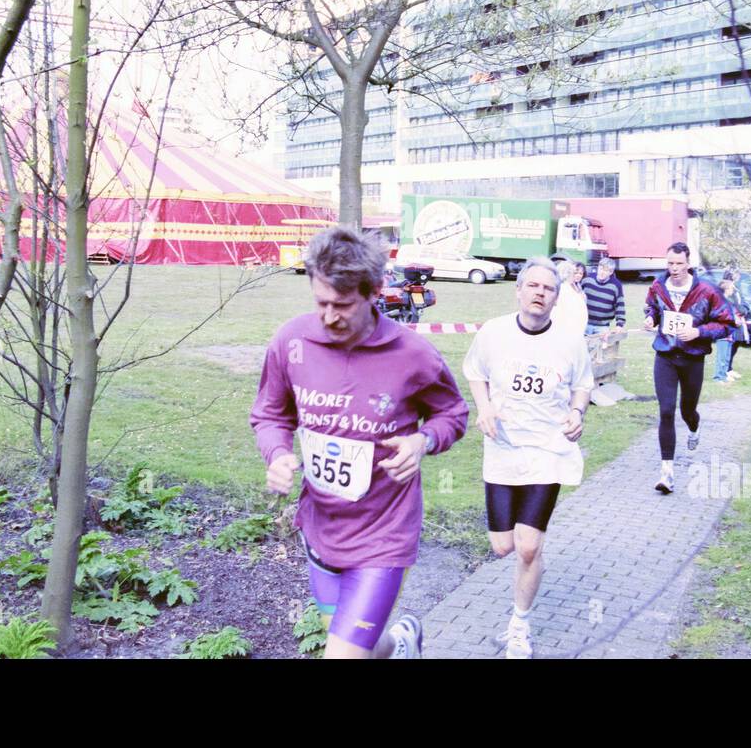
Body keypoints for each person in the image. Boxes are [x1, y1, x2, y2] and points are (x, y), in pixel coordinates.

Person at [250, 226, 469, 659]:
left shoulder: (413, 354)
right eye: (321, 303)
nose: (330, 316)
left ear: (374, 293)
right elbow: (271, 414)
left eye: (343, 305)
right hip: (320, 527)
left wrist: (423, 441)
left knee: (343, 657)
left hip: (383, 533)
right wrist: (276, 454)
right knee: (360, 645)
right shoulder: (291, 342)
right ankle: (403, 643)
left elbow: (453, 414)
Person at [463, 258, 594, 659]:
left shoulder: (571, 341)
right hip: (502, 448)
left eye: (548, 288)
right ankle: (526, 559)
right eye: (532, 286)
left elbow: (582, 386)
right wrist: (483, 407)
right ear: (518, 290)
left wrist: (577, 413)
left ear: (557, 298)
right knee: (503, 547)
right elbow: (474, 372)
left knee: (528, 547)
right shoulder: (494, 333)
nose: (539, 293)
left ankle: (519, 625)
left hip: (546, 450)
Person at [643, 242, 735, 495]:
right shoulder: (658, 285)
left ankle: (694, 427)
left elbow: (727, 324)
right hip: (666, 355)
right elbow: (651, 305)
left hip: (693, 358)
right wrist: (651, 318)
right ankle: (667, 474)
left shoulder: (707, 290)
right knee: (666, 411)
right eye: (670, 263)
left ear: (688, 263)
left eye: (679, 264)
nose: (674, 269)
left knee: (687, 410)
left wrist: (698, 331)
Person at [582, 257, 627, 335]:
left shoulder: (616, 285)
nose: (602, 272)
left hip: (602, 327)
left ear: (611, 272)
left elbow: (620, 305)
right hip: (584, 323)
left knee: (601, 347)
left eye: (606, 270)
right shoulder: (587, 279)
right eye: (601, 269)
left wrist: (619, 324)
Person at [548, 259, 588, 340]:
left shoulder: (575, 286)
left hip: (574, 330)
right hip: (568, 330)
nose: (576, 275)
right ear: (568, 274)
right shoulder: (564, 289)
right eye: (574, 273)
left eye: (580, 273)